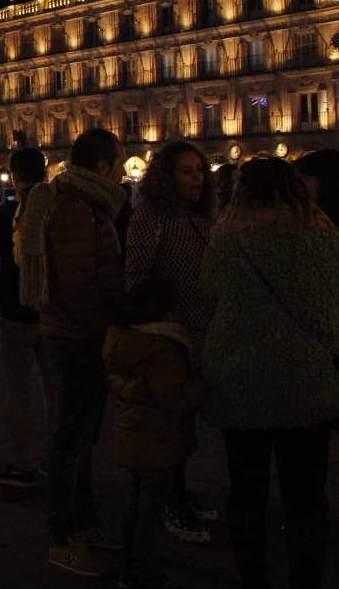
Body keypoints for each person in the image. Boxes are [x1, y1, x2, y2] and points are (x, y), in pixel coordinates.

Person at [199, 157, 339, 589]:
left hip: (239, 379)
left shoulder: (225, 236)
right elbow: (328, 310)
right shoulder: (322, 235)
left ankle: (252, 576)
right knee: (307, 497)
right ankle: (306, 577)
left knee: (246, 493)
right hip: (306, 381)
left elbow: (209, 296)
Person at [41, 127, 130, 577]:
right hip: (77, 338)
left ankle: (85, 521)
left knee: (83, 437)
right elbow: (77, 286)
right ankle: (62, 535)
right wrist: (106, 331)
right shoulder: (77, 209)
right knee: (70, 439)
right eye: (120, 163)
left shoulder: (89, 205)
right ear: (101, 168)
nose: (123, 171)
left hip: (82, 334)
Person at [124, 140, 218, 545]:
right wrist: (159, 321)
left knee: (186, 423)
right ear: (167, 177)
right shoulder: (150, 217)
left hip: (200, 331)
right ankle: (168, 504)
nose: (197, 178)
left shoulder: (201, 216)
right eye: (186, 171)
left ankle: (179, 493)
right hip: (168, 335)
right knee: (169, 426)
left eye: (199, 170)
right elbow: (136, 276)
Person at [103, 279, 206, 589]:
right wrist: (203, 384)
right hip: (158, 441)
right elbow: (173, 399)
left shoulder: (123, 342)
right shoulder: (162, 352)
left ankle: (130, 564)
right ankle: (139, 568)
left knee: (135, 503)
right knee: (150, 508)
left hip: (131, 438)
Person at [0, 146, 54, 488]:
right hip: (53, 309)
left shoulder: (10, 213)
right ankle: (59, 458)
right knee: (56, 390)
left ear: (16, 177)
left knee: (19, 391)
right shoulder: (61, 208)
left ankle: (24, 462)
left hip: (16, 309)